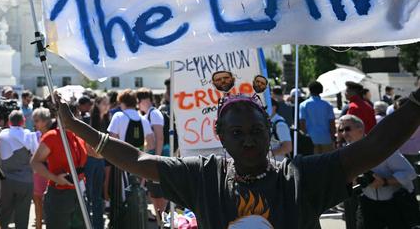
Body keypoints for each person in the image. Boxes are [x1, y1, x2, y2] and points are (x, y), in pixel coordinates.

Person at [55, 77, 420, 228]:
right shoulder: (203, 174)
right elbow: (137, 161)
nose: (249, 140)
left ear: (268, 133)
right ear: (221, 136)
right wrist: (75, 126)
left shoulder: (300, 176)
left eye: (257, 131)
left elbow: (374, 147)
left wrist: (417, 102)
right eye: (238, 132)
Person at [339, 114, 420, 229]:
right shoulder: (346, 152)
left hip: (394, 204)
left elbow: (410, 173)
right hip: (367, 203)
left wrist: (384, 182)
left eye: (347, 129)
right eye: (341, 130)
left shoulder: (382, 148)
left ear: (360, 129)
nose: (344, 133)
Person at [31, 111, 88, 229]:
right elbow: (35, 163)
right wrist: (55, 178)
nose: (76, 117)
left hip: (79, 195)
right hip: (59, 195)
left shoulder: (78, 136)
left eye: (76, 115)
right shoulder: (52, 136)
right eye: (72, 115)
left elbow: (95, 153)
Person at [107, 89, 152, 226]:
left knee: (121, 197)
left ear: (122, 103)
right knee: (136, 194)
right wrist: (141, 150)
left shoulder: (118, 117)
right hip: (139, 162)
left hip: (121, 162)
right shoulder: (143, 119)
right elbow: (151, 142)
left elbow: (111, 140)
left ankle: (122, 223)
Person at [0, 110, 38, 229]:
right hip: (26, 181)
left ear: (9, 121)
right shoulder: (30, 135)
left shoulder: (3, 134)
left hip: (6, 181)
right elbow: (35, 154)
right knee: (23, 214)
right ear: (23, 121)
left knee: (5, 213)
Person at [137, 88, 168, 222]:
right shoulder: (150, 114)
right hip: (156, 157)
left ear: (146, 100)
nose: (137, 104)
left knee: (158, 192)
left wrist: (156, 158)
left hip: (160, 157)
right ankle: (161, 221)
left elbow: (159, 138)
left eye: (139, 100)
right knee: (154, 193)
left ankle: (162, 221)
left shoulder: (154, 114)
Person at [83, 96, 109, 229]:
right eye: (104, 103)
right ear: (97, 104)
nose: (107, 106)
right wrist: (98, 155)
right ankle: (88, 223)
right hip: (90, 160)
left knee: (98, 195)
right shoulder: (89, 120)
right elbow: (86, 143)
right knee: (89, 194)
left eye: (108, 104)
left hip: (100, 161)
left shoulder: (106, 120)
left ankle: (98, 225)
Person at [299, 81, 336, 153]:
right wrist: (333, 137)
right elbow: (332, 122)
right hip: (326, 138)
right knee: (327, 161)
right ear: (321, 91)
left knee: (313, 162)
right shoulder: (327, 105)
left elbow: (302, 123)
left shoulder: (303, 105)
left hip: (310, 139)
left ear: (310, 90)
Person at [31, 107, 53, 229]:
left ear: (45, 121)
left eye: (37, 120)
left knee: (50, 205)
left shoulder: (53, 135)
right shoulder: (34, 135)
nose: (34, 123)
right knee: (38, 203)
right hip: (38, 174)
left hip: (51, 173)